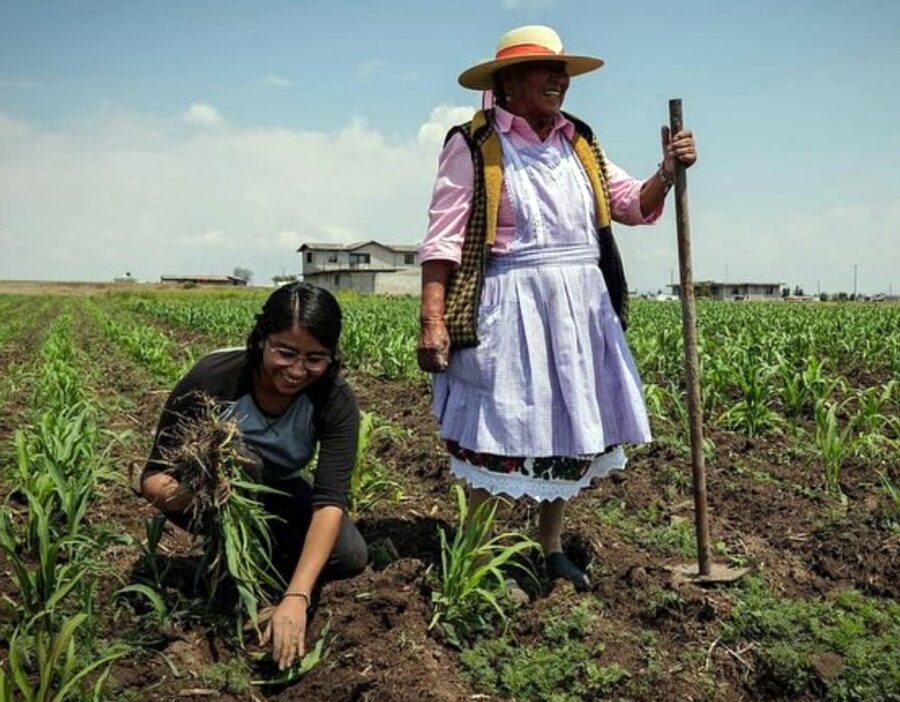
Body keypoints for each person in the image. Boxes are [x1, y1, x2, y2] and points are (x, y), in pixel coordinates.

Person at [417, 25, 697, 591]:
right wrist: (433, 320)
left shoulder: (580, 143)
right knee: (496, 427)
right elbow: (443, 240)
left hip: (580, 310)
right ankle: (476, 550)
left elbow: (629, 204)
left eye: (563, 72)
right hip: (508, 305)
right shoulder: (474, 144)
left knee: (564, 426)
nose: (560, 81)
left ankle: (549, 545)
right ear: (508, 83)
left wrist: (667, 172)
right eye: (547, 70)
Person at [141, 282, 367, 670]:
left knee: (349, 555)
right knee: (244, 461)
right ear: (261, 340)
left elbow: (329, 500)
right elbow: (153, 477)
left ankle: (276, 576)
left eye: (315, 358)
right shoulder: (213, 380)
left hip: (279, 490)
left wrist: (297, 596)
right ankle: (233, 577)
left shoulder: (334, 399)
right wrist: (202, 496)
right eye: (285, 352)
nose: (297, 371)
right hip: (209, 496)